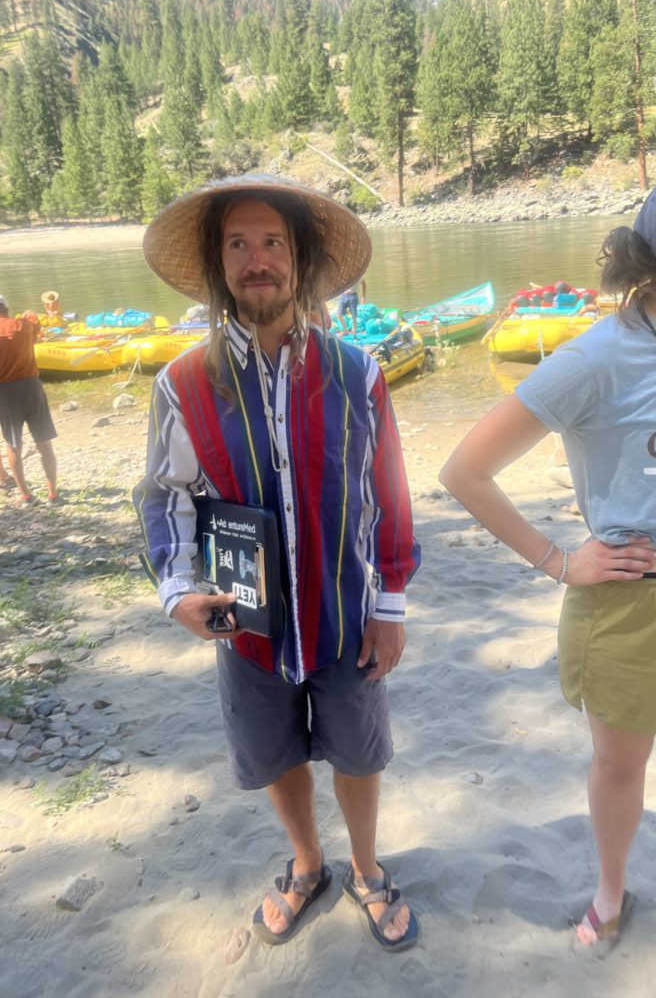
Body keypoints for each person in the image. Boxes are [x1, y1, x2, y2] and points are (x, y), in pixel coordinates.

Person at [440, 155, 656, 993]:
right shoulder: (598, 358)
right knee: (620, 767)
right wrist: (559, 559)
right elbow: (466, 471)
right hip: (630, 600)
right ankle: (611, 890)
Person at [134, 174, 420, 951]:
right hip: (246, 627)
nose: (257, 260)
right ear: (218, 261)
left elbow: (388, 491)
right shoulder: (182, 383)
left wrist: (390, 604)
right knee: (273, 753)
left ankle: (364, 866)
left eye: (273, 243)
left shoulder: (358, 374)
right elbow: (166, 497)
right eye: (238, 244)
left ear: (300, 259)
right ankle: (307, 862)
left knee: (359, 753)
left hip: (346, 615)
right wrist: (179, 591)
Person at [0, 295, 60, 507]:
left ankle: (26, 495)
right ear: (6, 308)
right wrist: (28, 313)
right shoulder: (23, 326)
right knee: (44, 443)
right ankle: (52, 493)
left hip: (5, 393)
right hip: (31, 386)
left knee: (13, 444)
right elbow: (34, 321)